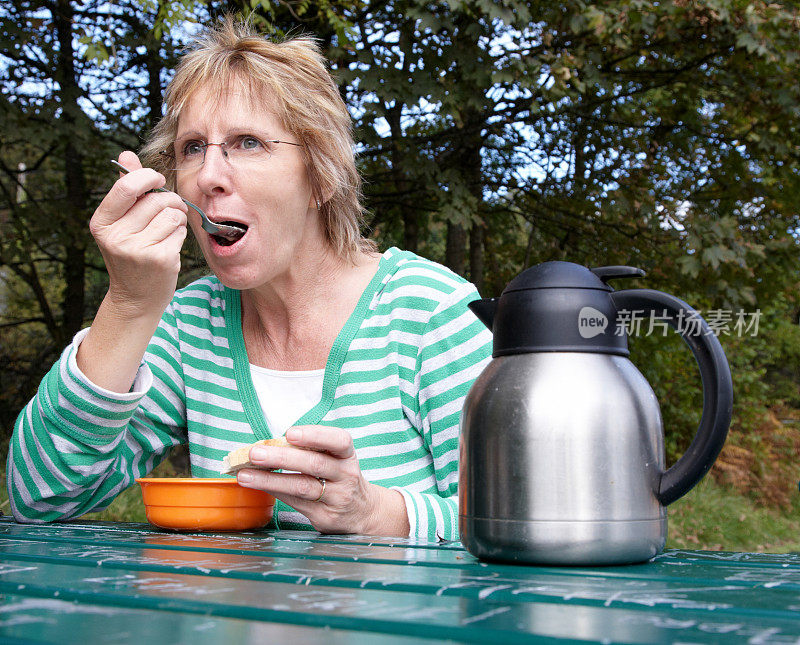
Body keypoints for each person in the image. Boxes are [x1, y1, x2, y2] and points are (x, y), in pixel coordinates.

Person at [6, 19, 492, 539]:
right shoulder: (192, 324)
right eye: (193, 148)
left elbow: (517, 518)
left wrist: (376, 514)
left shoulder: (432, 313)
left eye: (247, 143)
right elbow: (40, 497)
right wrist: (128, 305)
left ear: (321, 177)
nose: (209, 175)